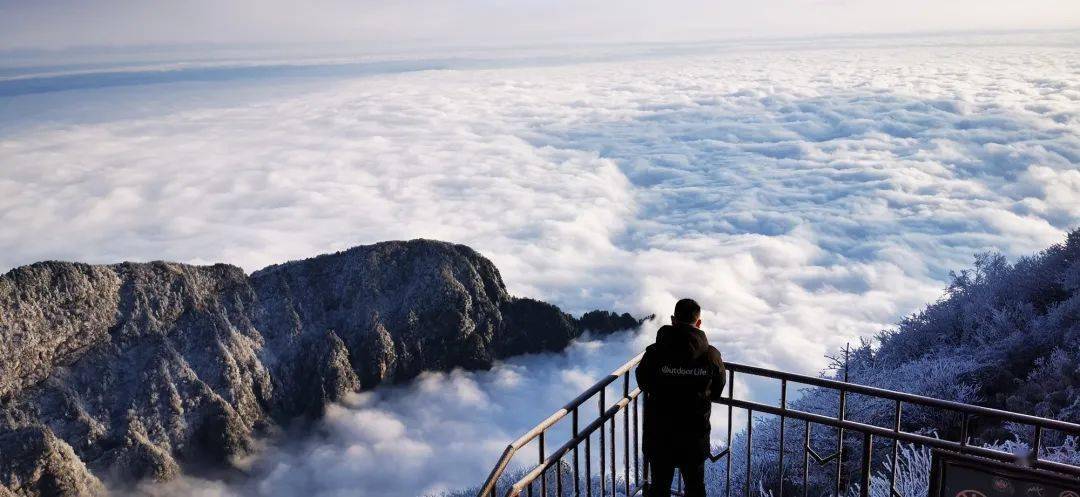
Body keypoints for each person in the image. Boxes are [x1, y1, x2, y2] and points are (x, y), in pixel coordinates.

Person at [636, 298, 727, 497]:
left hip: (659, 434)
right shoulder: (712, 356)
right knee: (695, 488)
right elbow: (718, 391)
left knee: (659, 488)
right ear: (699, 323)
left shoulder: (654, 353)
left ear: (672, 320)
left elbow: (643, 382)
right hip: (694, 435)